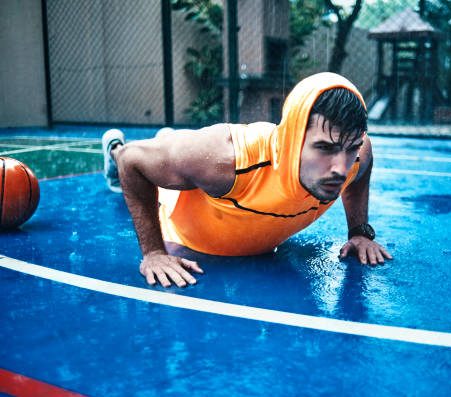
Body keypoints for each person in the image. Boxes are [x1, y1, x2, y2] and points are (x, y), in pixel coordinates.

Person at [102, 72, 392, 288]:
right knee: (141, 154)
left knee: (172, 147)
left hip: (198, 170)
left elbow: (360, 171)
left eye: (351, 147)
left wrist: (359, 232)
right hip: (180, 209)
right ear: (292, 141)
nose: (341, 169)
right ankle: (114, 146)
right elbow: (132, 161)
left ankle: (166, 140)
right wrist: (153, 252)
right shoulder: (228, 159)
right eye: (324, 148)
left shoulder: (356, 152)